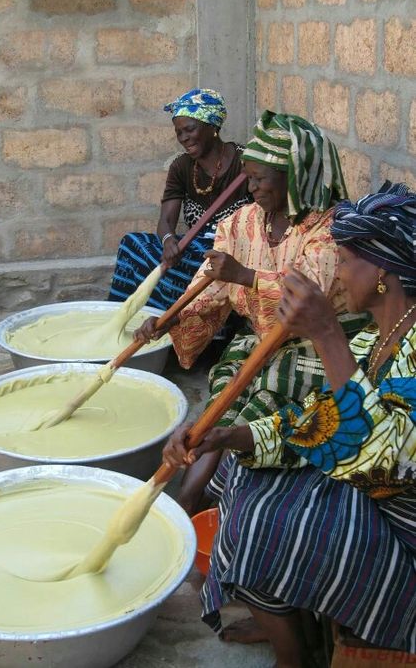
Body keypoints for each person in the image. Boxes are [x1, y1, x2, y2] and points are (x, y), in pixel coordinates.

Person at [163, 182, 416, 666]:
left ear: (382, 270)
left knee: (265, 521)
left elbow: (384, 470)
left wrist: (325, 334)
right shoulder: (378, 337)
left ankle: (294, 653)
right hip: (367, 479)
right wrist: (229, 435)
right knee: (234, 471)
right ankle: (287, 621)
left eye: (345, 262)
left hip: (401, 513)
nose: (337, 275)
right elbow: (318, 419)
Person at [136, 110, 364, 519]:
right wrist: (175, 316)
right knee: (226, 392)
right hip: (262, 339)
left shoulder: (329, 228)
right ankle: (194, 492)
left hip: (321, 349)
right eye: (248, 177)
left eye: (261, 179)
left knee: (255, 397)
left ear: (294, 176)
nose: (252, 187)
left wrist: (245, 275)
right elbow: (211, 283)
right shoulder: (241, 223)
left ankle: (193, 496)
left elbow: (308, 296)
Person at [107, 87, 251, 310]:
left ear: (212, 125)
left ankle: (177, 325)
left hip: (232, 252)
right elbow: (166, 221)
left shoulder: (246, 162)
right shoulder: (181, 166)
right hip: (193, 247)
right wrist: (168, 241)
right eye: (179, 132)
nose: (183, 138)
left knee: (190, 264)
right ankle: (123, 315)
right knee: (132, 244)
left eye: (189, 129)